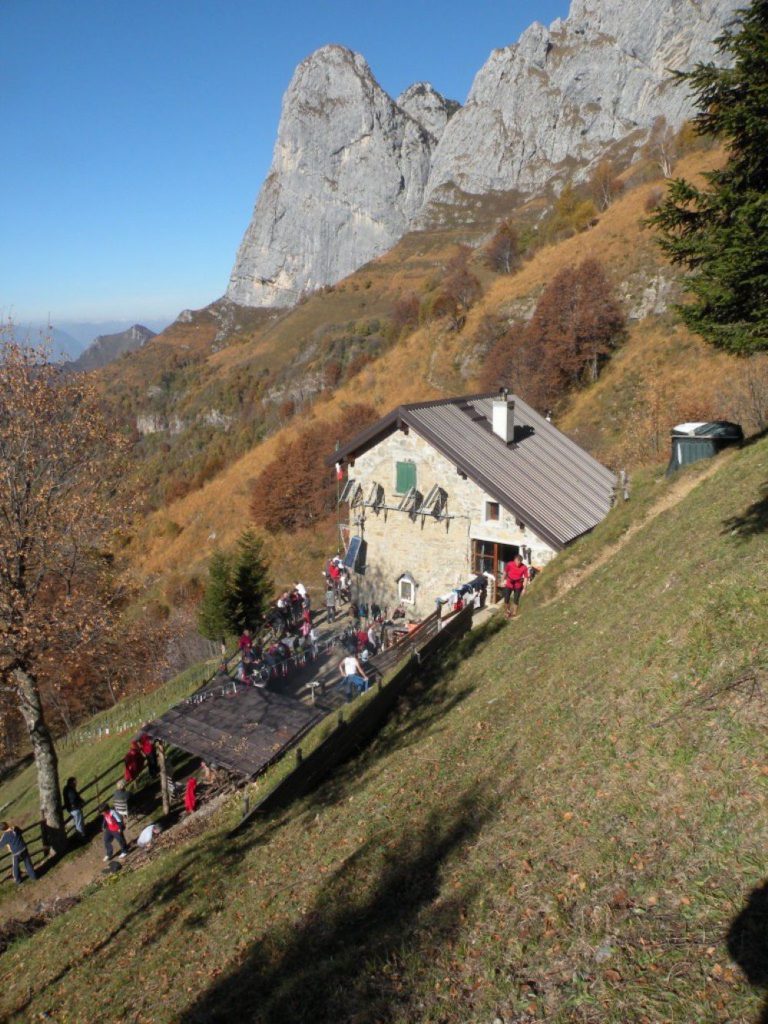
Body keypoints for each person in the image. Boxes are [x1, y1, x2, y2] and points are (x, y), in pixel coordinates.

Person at [502, 552, 530, 619]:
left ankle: (514, 614)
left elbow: (526, 578)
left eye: (520, 562)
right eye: (517, 561)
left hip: (518, 584)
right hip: (509, 583)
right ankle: (507, 611)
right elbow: (505, 572)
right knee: (506, 599)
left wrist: (524, 589)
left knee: (516, 600)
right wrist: (502, 580)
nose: (518, 563)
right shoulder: (509, 564)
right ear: (514, 560)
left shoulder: (524, 567)